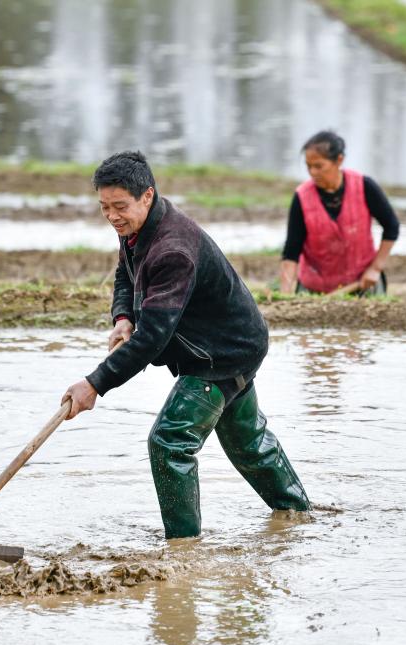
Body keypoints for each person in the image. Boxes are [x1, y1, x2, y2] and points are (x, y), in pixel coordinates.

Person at [61, 151, 310, 539]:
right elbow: (126, 273)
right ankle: (298, 516)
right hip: (227, 342)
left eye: (119, 206)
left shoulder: (173, 249)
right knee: (248, 442)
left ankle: (183, 548)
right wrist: (123, 316)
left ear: (147, 195)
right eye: (104, 207)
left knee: (170, 442)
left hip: (223, 354)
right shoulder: (138, 229)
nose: (112, 216)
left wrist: (94, 385)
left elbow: (152, 340)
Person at [280, 130, 400, 295]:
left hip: (362, 283)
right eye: (309, 166)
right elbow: (291, 251)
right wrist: (285, 295)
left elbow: (392, 226)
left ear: (338, 160)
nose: (313, 172)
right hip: (315, 287)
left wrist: (376, 268)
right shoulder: (302, 197)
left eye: (319, 166)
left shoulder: (364, 187)